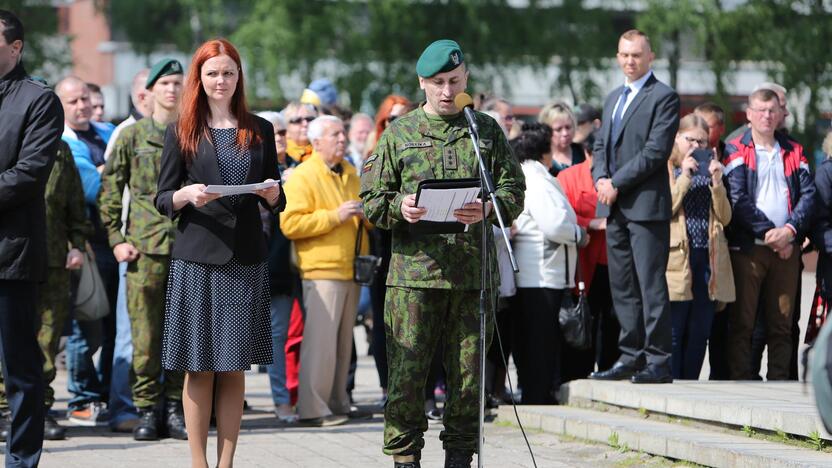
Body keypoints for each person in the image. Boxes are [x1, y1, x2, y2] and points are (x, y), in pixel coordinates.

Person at [360, 39, 525, 468]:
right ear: (423, 84)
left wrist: (488, 207)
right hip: (415, 278)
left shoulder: (484, 129)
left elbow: (514, 190)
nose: (447, 91)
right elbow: (373, 200)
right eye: (438, 83)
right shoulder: (400, 133)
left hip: (472, 278)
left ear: (466, 78)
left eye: (454, 81)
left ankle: (459, 458)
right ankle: (405, 459)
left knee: (470, 381)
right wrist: (403, 207)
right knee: (407, 377)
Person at [154, 38, 283, 468]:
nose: (221, 80)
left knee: (234, 367)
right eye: (212, 73)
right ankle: (198, 462)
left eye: (228, 72)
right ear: (200, 78)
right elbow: (161, 198)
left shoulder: (259, 128)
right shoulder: (181, 129)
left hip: (245, 259)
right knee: (199, 367)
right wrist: (186, 194)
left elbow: (276, 193)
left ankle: (226, 462)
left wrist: (272, 194)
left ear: (238, 76)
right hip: (198, 259)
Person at [99, 58, 188, 441]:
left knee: (182, 335)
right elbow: (109, 192)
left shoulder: (192, 136)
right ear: (148, 92)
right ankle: (148, 410)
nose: (171, 90)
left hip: (187, 249)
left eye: (177, 83)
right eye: (164, 83)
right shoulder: (132, 137)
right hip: (144, 250)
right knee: (146, 339)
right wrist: (116, 241)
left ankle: (175, 407)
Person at [590, 29, 680, 384]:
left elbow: (656, 152)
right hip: (614, 208)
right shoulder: (614, 98)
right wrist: (600, 178)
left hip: (645, 207)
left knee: (650, 286)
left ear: (650, 57)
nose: (630, 61)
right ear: (617, 57)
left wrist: (616, 183)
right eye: (624, 55)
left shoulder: (664, 96)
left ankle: (657, 361)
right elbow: (600, 146)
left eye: (637, 55)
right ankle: (630, 356)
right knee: (623, 287)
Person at [0, 9, 65, 465]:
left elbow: (27, 175)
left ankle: (21, 460)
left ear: (15, 47)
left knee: (20, 371)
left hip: (10, 254)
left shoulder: (38, 101)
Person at [722, 88, 814, 380]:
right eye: (760, 110)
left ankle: (778, 384)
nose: (766, 116)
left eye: (772, 110)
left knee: (782, 324)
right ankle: (740, 382)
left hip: (787, 249)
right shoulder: (735, 149)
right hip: (749, 249)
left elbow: (809, 195)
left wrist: (789, 231)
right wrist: (771, 233)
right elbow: (737, 199)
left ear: (780, 114)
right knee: (742, 323)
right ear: (748, 114)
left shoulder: (794, 150)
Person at [280, 115, 366, 426]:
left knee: (343, 346)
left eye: (343, 134)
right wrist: (335, 216)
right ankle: (313, 409)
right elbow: (290, 224)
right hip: (321, 270)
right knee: (320, 346)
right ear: (316, 143)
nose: (342, 140)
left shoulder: (351, 173)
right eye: (335, 135)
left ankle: (337, 402)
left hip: (352, 268)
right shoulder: (303, 176)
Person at [511, 122, 588, 403]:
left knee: (534, 342)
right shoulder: (538, 179)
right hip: (543, 272)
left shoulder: (528, 175)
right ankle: (538, 396)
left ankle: (536, 392)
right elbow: (554, 224)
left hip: (536, 272)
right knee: (540, 343)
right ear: (544, 152)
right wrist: (579, 234)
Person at [56, 75, 117, 425]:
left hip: (115, 244)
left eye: (85, 99)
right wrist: (112, 169)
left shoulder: (106, 132)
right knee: (86, 324)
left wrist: (105, 169)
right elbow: (92, 188)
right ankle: (80, 398)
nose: (83, 107)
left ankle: (104, 394)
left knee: (110, 328)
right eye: (73, 102)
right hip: (86, 246)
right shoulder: (63, 141)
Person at [665, 114, 734, 380]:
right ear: (677, 138)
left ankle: (690, 384)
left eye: (701, 141)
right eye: (689, 139)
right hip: (677, 257)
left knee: (699, 330)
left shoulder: (711, 170)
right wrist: (684, 174)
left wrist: (717, 183)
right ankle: (673, 386)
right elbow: (665, 209)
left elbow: (725, 217)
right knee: (675, 329)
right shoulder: (668, 168)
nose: (695, 145)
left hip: (708, 256)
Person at [557, 133, 621, 381]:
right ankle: (575, 379)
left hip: (616, 263)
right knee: (583, 321)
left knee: (613, 324)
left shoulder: (620, 175)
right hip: (584, 264)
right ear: (587, 153)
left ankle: (610, 373)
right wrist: (592, 224)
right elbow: (563, 216)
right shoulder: (569, 177)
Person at [256, 110, 300, 423]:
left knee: (278, 337)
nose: (279, 138)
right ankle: (229, 400)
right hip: (250, 263)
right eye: (272, 133)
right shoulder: (247, 168)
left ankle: (282, 401)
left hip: (285, 268)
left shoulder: (301, 170)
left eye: (282, 132)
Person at [538, 101, 585, 177]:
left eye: (568, 127)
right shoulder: (539, 159)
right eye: (558, 129)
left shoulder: (583, 152)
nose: (565, 133)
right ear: (546, 130)